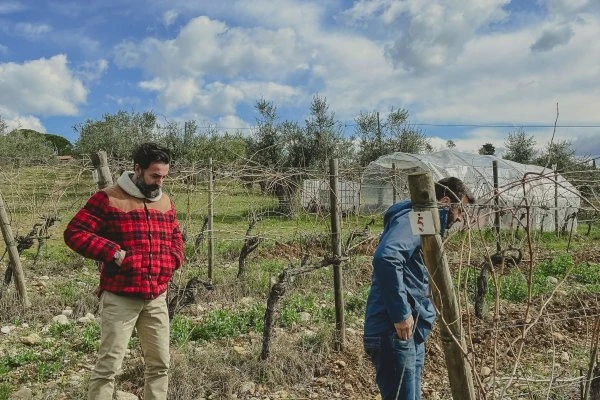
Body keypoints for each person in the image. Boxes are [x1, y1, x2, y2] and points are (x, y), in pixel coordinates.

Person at [64, 142, 184, 400]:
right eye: (154, 176)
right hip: (120, 296)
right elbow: (74, 232)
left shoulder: (165, 202)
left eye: (164, 176)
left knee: (160, 364)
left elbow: (176, 236)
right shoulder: (108, 198)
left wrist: (173, 259)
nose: (159, 182)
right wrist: (115, 253)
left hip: (156, 297)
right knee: (109, 367)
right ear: (137, 169)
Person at [363, 177, 475, 400]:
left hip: (408, 333)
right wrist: (401, 313)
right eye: (460, 210)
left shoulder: (426, 224)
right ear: (444, 202)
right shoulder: (419, 218)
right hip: (393, 331)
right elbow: (387, 258)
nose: (462, 218)